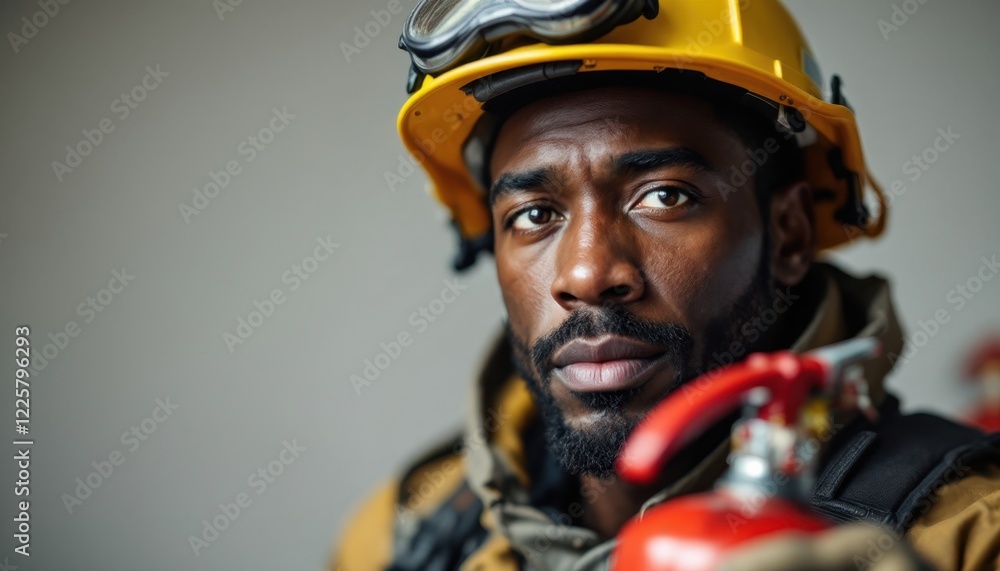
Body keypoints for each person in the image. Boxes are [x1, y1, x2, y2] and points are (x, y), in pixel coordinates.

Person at [331, 1, 1000, 569]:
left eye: (665, 196)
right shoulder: (404, 530)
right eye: (535, 215)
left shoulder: (970, 536)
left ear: (790, 233)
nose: (588, 274)